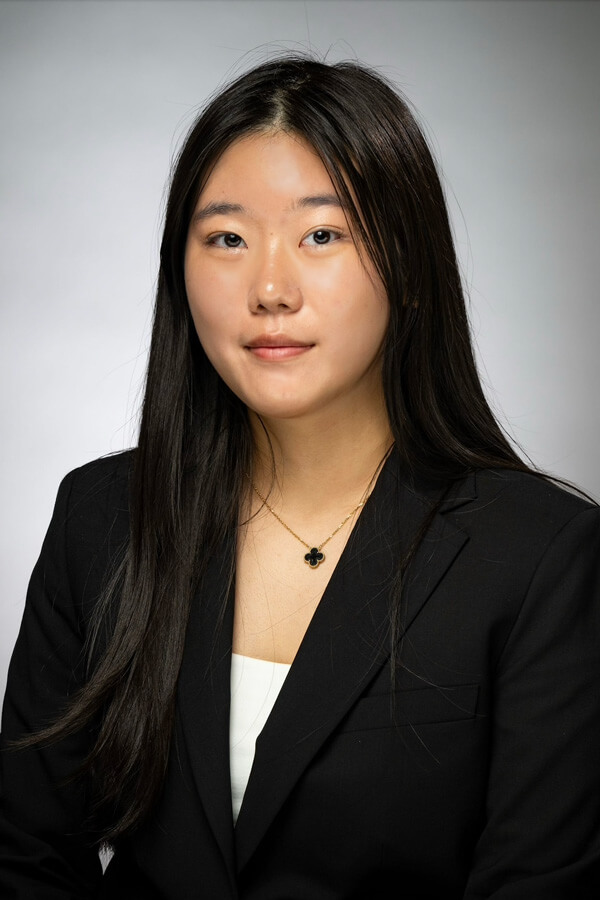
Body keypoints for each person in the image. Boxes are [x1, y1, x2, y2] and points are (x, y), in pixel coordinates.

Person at [1, 54, 599, 900]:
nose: (270, 288)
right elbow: (27, 859)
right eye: (228, 239)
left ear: (412, 267)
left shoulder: (540, 557)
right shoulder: (102, 517)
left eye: (323, 235)